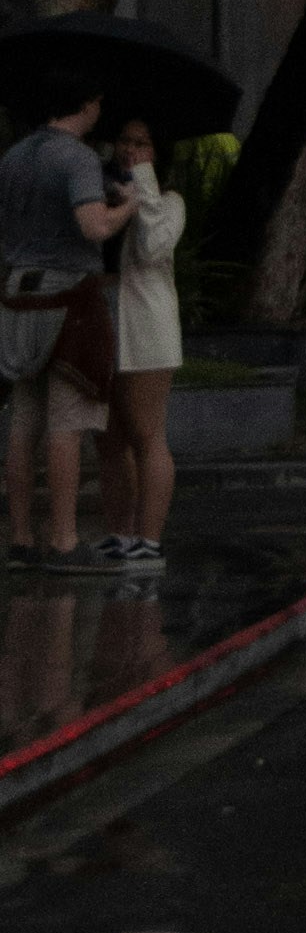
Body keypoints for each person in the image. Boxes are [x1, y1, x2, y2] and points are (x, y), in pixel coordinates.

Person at [0, 70, 136, 567]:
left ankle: (18, 539)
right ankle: (62, 539)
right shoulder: (76, 157)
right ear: (86, 102)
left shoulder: (13, 156)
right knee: (67, 421)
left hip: (16, 293)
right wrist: (130, 207)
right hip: (68, 298)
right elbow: (94, 226)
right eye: (98, 100)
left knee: (22, 423)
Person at [94, 114, 184, 575]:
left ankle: (149, 539)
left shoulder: (168, 202)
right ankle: (121, 534)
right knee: (109, 438)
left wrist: (142, 186)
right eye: (126, 141)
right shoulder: (100, 190)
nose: (131, 150)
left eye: (143, 144)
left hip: (147, 330)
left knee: (146, 433)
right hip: (103, 321)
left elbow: (152, 247)